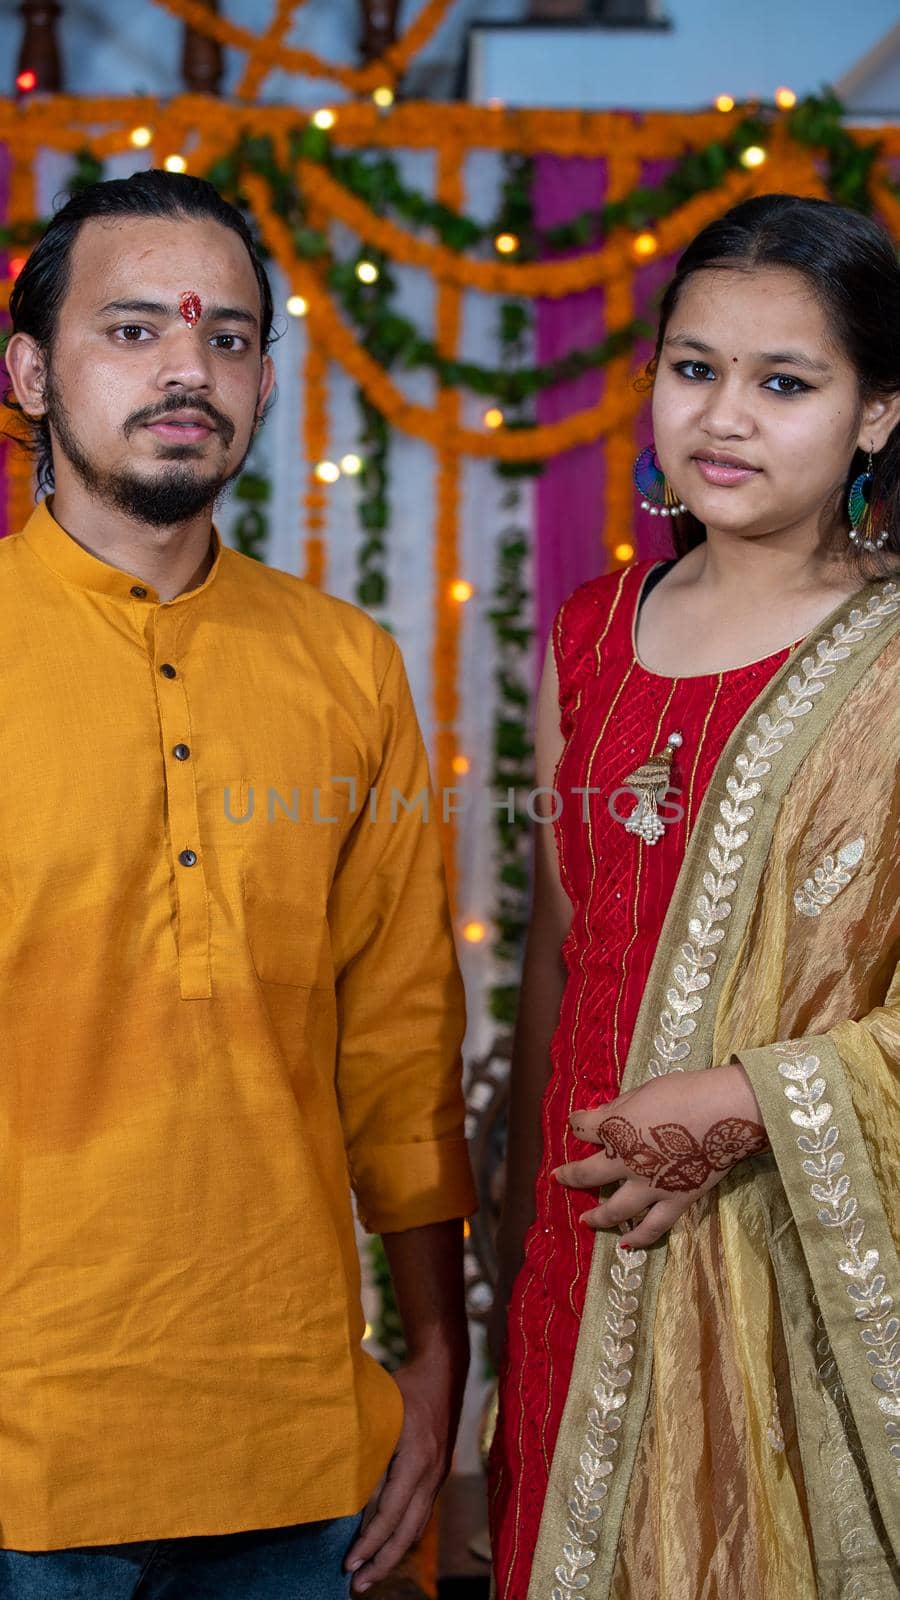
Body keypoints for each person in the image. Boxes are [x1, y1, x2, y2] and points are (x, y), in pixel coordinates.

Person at [0, 169, 476, 1600]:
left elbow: (400, 1046)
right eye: (132, 330)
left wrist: (440, 1361)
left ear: (265, 382)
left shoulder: (345, 666)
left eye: (226, 338)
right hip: (27, 1447)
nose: (186, 371)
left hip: (296, 1444)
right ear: (27, 371)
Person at [487, 193, 900, 1599]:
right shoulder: (593, 632)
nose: (725, 415)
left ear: (879, 414)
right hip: (573, 1261)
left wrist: (740, 1105)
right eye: (695, 368)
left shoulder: (893, 660)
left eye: (786, 382)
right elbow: (560, 947)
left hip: (789, 1280)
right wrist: (511, 1253)